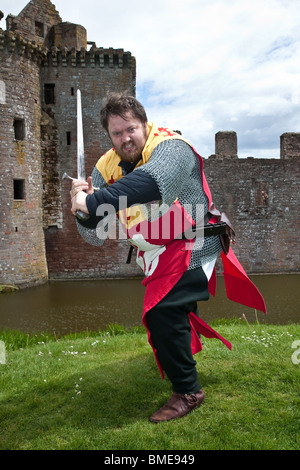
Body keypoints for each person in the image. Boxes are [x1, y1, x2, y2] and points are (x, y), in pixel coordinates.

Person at [70, 91, 266, 423]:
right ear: (109, 135)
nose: (125, 138)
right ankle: (178, 347)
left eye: (130, 129)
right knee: (171, 313)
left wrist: (93, 200)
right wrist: (81, 206)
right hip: (156, 252)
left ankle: (189, 391)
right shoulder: (106, 167)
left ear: (144, 124)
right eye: (117, 133)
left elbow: (149, 185)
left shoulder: (171, 149)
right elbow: (96, 231)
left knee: (163, 312)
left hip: (192, 242)